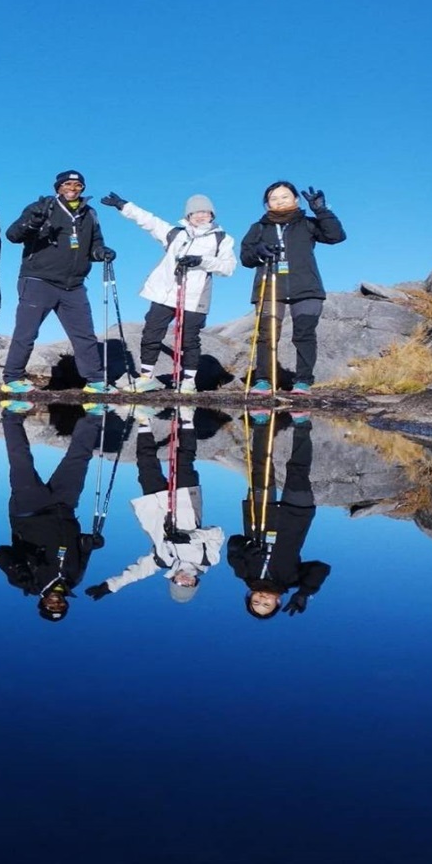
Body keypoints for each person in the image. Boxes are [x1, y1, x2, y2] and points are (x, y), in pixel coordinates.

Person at [100, 191, 236, 393]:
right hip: (164, 293)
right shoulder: (175, 234)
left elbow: (229, 267)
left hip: (195, 296)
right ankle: (147, 377)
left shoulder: (221, 239)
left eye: (205, 212)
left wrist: (201, 261)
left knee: (189, 339)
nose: (200, 216)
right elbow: (149, 221)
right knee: (151, 333)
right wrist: (123, 205)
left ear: (212, 215)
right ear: (188, 216)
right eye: (195, 212)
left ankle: (189, 381)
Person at [85, 405, 223, 604]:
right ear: (195, 583)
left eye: (179, 584)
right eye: (189, 585)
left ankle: (143, 421)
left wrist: (110, 586)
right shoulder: (208, 559)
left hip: (155, 506)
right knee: (184, 459)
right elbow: (217, 533)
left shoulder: (162, 560)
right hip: (186, 502)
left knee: (145, 462)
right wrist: (190, 537)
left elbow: (137, 572)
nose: (184, 581)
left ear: (173, 581)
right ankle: (186, 418)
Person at [1, 170, 116, 396]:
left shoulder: (89, 214)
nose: (72, 188)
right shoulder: (43, 207)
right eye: (67, 184)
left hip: (73, 285)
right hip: (37, 280)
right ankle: (12, 378)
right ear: (58, 188)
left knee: (84, 334)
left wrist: (101, 252)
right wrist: (33, 219)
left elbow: (94, 245)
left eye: (77, 185)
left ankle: (95, 381)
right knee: (27, 333)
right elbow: (13, 235)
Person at [0, 403, 106, 621]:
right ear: (65, 604)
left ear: (42, 602)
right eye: (60, 605)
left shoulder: (31, 584)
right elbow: (82, 548)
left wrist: (20, 571)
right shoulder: (75, 579)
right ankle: (94, 415)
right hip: (63, 508)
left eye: (50, 605)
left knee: (21, 460)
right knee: (79, 459)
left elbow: (0, 554)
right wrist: (92, 543)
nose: (56, 602)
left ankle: (11, 414)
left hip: (28, 511)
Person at [239, 181, 346, 395]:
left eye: (284, 197)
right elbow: (245, 258)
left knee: (304, 334)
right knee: (266, 335)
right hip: (270, 287)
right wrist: (259, 251)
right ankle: (263, 380)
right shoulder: (259, 227)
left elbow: (336, 236)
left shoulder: (307, 223)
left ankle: (303, 381)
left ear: (295, 199)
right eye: (274, 198)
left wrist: (322, 210)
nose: (279, 201)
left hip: (306, 287)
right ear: (267, 204)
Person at [227, 409, 330, 619]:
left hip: (260, 513)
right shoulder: (291, 580)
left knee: (261, 467)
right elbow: (321, 569)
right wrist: (304, 593)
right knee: (298, 470)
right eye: (266, 604)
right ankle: (301, 424)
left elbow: (233, 543)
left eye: (256, 601)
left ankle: (262, 422)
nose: (262, 598)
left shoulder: (243, 573)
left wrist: (245, 549)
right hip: (296, 516)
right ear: (278, 602)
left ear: (250, 596)